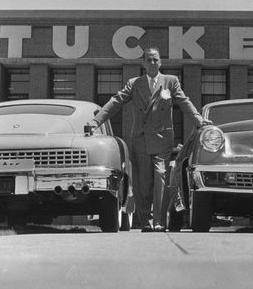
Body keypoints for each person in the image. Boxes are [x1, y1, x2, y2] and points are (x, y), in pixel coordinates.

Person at [89, 47, 210, 232]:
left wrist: (199, 120)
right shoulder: (134, 83)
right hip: (141, 140)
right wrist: (96, 121)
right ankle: (145, 221)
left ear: (160, 62)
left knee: (161, 176)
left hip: (162, 139)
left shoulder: (171, 81)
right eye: (149, 60)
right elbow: (116, 102)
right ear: (143, 63)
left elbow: (184, 102)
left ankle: (159, 222)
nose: (152, 63)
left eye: (155, 59)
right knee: (142, 183)